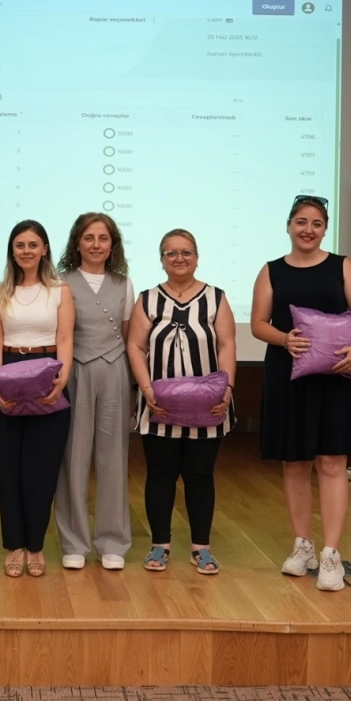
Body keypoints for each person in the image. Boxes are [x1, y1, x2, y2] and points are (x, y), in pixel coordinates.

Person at [251, 195, 351, 593]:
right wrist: (285, 339)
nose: (308, 229)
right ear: (289, 226)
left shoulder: (343, 266)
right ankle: (303, 545)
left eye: (316, 223)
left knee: (333, 462)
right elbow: (258, 323)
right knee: (295, 463)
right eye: (301, 222)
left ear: (325, 229)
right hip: (288, 375)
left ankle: (331, 554)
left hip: (337, 375)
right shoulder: (271, 271)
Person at [126, 229, 235, 576]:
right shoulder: (147, 299)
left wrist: (227, 387)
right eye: (171, 253)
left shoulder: (216, 297)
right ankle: (160, 545)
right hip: (159, 405)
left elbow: (227, 345)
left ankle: (201, 548)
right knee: (160, 475)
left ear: (197, 257)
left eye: (186, 252)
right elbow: (135, 346)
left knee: (200, 476)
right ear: (161, 260)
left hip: (208, 406)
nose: (179, 258)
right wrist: (147, 390)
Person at [0, 220, 74, 578]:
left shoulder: (60, 290)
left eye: (33, 244)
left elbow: (65, 338)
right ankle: (14, 546)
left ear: (45, 249)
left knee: (42, 470)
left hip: (48, 374)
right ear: (12, 250)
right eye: (20, 245)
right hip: (7, 373)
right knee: (8, 469)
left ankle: (35, 546)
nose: (26, 251)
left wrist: (61, 379)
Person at [53, 213, 134, 571]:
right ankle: (74, 542)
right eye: (89, 238)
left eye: (103, 238)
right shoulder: (59, 282)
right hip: (75, 370)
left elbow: (130, 336)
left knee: (113, 457)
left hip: (115, 370)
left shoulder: (124, 284)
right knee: (73, 456)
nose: (96, 245)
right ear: (77, 242)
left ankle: (112, 541)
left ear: (112, 244)